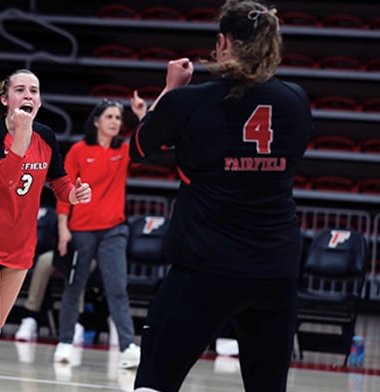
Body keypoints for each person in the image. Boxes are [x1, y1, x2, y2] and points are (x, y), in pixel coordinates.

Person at [129, 1, 313, 391]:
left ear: (222, 43)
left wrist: (169, 90)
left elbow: (139, 147)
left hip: (206, 263)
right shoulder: (296, 100)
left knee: (155, 378)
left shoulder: (189, 101)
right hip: (275, 266)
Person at [0, 69, 92, 392]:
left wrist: (73, 193)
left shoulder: (46, 136)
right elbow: (3, 181)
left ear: (40, 100)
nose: (28, 95)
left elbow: (58, 182)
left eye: (34, 90)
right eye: (20, 90)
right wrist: (19, 137)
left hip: (19, 245)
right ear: (5, 99)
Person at [52, 95, 147, 369]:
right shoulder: (78, 151)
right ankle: (65, 342)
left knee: (117, 288)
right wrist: (62, 227)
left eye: (118, 117)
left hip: (114, 230)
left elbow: (152, 146)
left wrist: (142, 117)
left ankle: (128, 346)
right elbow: (63, 190)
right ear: (96, 121)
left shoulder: (124, 150)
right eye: (110, 116)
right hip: (80, 230)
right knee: (74, 287)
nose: (115, 122)